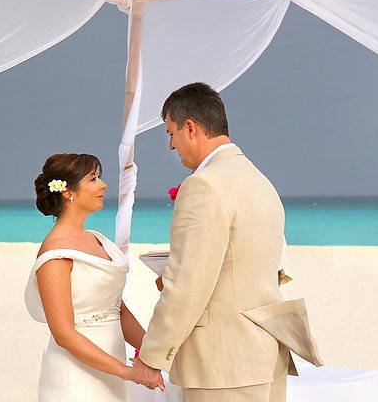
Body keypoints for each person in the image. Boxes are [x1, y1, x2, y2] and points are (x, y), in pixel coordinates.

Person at [127, 82, 316, 401]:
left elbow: (188, 284)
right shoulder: (260, 181)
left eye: (170, 133)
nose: (171, 145)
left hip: (222, 362)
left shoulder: (203, 185)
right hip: (265, 353)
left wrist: (151, 355)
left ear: (190, 128)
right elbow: (270, 267)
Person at [24, 153, 162, 401]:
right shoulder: (55, 254)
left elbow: (118, 310)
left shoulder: (98, 240)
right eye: (93, 179)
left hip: (113, 368)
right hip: (74, 377)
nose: (103, 185)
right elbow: (63, 334)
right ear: (68, 192)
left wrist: (152, 353)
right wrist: (127, 373)